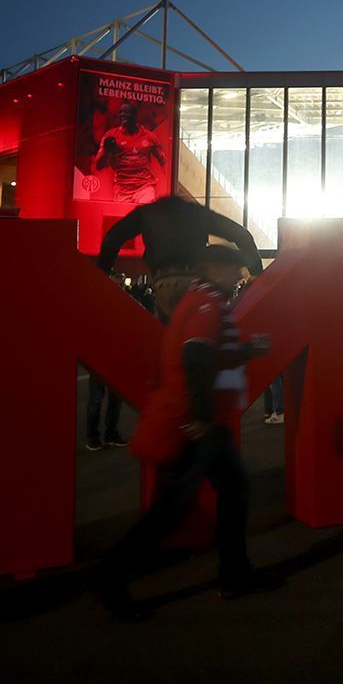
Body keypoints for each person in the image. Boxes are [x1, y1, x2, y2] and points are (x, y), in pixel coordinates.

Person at [94, 245, 279, 620]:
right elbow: (195, 355)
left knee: (231, 489)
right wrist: (200, 416)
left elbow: (205, 353)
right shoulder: (207, 305)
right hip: (199, 424)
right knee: (173, 508)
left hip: (205, 423)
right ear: (212, 268)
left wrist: (244, 351)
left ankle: (234, 573)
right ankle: (111, 578)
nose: (237, 275)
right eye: (231, 269)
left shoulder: (201, 301)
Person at [97, 195, 263, 321]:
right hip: (196, 282)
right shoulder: (198, 214)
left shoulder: (146, 213)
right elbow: (241, 235)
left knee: (168, 335)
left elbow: (112, 238)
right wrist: (256, 273)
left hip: (164, 282)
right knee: (202, 331)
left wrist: (102, 272)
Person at [94, 101, 168, 204]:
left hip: (144, 187)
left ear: (135, 115)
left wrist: (169, 186)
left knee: (145, 214)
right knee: (126, 218)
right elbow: (98, 165)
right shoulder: (111, 136)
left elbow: (163, 161)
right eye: (120, 112)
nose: (122, 115)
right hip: (122, 190)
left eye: (126, 112)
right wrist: (107, 152)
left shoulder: (150, 137)